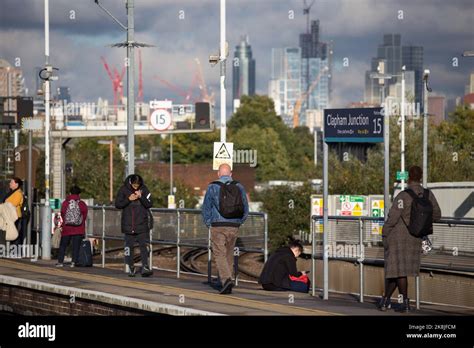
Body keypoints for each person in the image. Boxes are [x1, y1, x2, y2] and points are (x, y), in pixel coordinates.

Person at [377, 165, 441, 312]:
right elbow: (437, 215)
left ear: (408, 178)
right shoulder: (428, 194)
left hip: (397, 237)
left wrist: (384, 233)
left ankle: (405, 303)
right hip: (415, 237)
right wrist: (421, 222)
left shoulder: (403, 196)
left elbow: (392, 218)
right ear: (420, 177)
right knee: (398, 271)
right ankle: (385, 301)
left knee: (398, 270)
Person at [202, 163, 249, 294]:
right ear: (231, 174)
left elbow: (206, 208)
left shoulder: (212, 187)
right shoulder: (239, 186)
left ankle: (226, 280)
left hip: (217, 225)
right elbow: (245, 207)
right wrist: (239, 222)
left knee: (219, 253)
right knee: (229, 254)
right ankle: (226, 281)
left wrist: (208, 223)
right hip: (234, 226)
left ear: (218, 174)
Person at [115, 174, 153, 277]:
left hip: (142, 223)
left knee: (143, 246)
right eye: (134, 185)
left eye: (138, 185)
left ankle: (145, 266)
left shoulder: (144, 189)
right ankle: (131, 267)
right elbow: (118, 204)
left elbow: (149, 204)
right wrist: (129, 199)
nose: (136, 187)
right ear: (131, 183)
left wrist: (141, 197)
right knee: (129, 247)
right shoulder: (123, 189)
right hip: (128, 224)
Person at [57, 186, 88, 267]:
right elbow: (84, 215)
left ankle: (60, 261)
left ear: (70, 193)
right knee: (76, 246)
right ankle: (74, 262)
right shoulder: (81, 203)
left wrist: (66, 223)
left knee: (63, 245)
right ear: (79, 194)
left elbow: (63, 213)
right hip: (78, 228)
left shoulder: (65, 203)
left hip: (67, 228)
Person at [2, 177, 24, 246]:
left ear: (16, 184)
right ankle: (11, 249)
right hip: (9, 216)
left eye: (11, 182)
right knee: (9, 233)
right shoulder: (11, 192)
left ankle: (16, 251)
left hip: (15, 217)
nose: (9, 183)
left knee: (14, 234)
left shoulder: (18, 193)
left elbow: (12, 205)